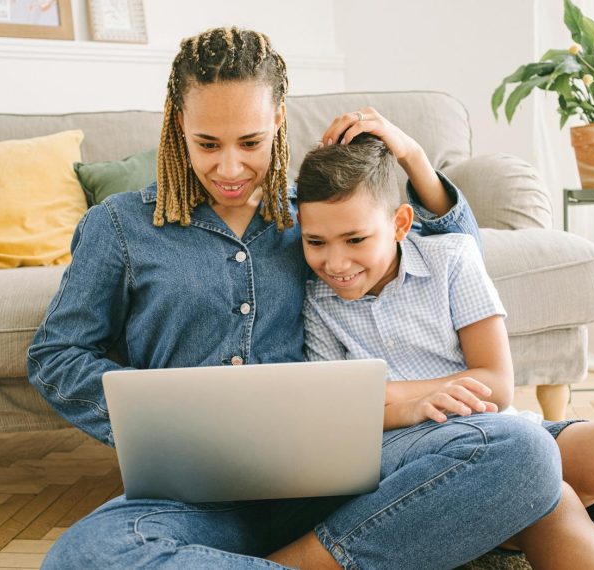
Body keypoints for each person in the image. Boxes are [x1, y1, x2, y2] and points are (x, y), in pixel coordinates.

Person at [27, 26, 564, 569]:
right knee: (83, 557)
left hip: (348, 467)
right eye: (208, 143)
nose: (230, 168)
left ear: (279, 120)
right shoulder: (119, 227)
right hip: (199, 494)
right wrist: (155, 419)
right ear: (178, 124)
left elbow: (454, 256)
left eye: (251, 142)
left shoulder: (314, 218)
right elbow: (55, 356)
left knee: (522, 453)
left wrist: (412, 157)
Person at [295, 132, 594, 570]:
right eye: (316, 242)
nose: (336, 263)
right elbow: (342, 412)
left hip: (503, 432)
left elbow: (497, 384)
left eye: (354, 240)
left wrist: (393, 394)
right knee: (544, 493)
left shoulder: (452, 259)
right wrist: (411, 406)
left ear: (401, 223)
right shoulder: (313, 299)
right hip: (417, 468)